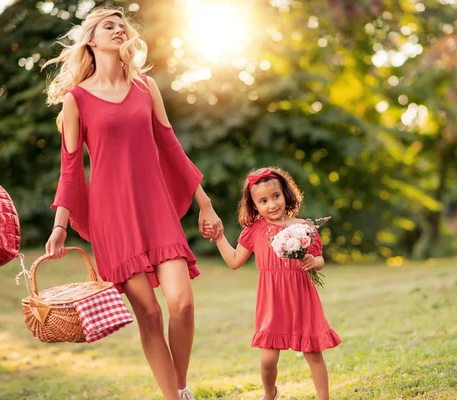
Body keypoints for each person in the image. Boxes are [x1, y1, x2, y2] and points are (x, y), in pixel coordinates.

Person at [41, 6, 223, 400]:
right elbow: (70, 170)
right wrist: (59, 225)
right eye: (110, 25)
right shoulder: (76, 100)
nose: (120, 30)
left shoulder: (145, 87)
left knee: (182, 304)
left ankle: (179, 384)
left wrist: (204, 203)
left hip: (155, 208)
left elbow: (171, 147)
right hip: (113, 219)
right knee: (150, 314)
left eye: (123, 26)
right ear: (91, 39)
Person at [212, 167, 341, 400]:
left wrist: (314, 260)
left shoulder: (304, 227)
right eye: (263, 201)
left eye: (276, 196)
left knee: (313, 352)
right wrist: (219, 237)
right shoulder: (254, 230)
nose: (271, 205)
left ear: (285, 194)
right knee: (268, 358)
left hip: (302, 296)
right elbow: (233, 261)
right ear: (254, 206)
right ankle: (270, 394)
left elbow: (320, 259)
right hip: (272, 299)